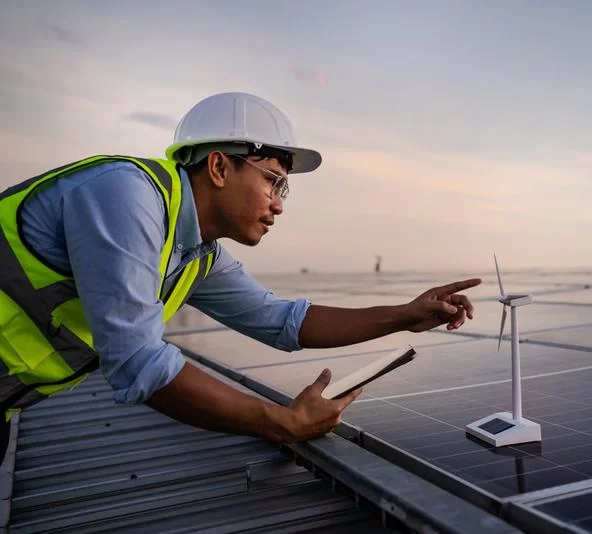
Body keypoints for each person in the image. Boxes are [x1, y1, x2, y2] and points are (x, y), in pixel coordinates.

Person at [0, 92, 481, 457]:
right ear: (218, 167)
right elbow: (137, 361)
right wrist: (282, 421)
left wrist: (406, 314)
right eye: (274, 181)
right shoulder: (126, 195)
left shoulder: (194, 253)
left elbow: (282, 321)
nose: (278, 204)